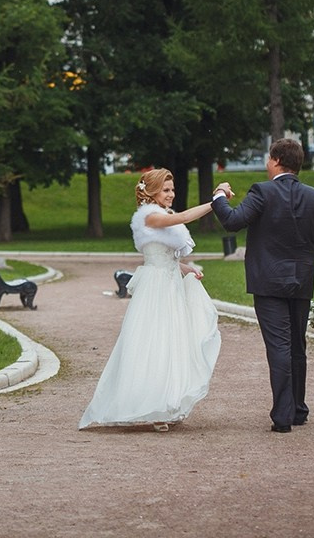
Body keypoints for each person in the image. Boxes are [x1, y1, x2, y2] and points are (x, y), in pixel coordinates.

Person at [79, 168, 222, 431]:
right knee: (154, 342)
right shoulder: (149, 216)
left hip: (171, 285)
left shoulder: (163, 216)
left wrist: (186, 268)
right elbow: (184, 217)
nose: (171, 194)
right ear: (152, 192)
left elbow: (166, 256)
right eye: (166, 190)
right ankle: (152, 406)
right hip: (156, 288)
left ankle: (168, 403)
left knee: (172, 343)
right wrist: (217, 201)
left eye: (172, 189)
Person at [211, 138, 314, 433]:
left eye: (269, 158)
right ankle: (298, 409)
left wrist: (219, 195)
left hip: (268, 283)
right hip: (302, 281)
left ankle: (283, 416)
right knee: (297, 345)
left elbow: (232, 221)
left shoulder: (262, 192)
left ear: (277, 160)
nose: (267, 163)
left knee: (279, 346)